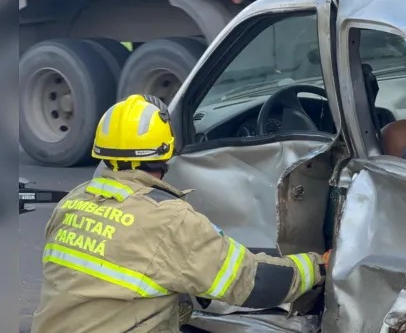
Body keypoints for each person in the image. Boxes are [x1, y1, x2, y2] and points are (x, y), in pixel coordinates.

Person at [32, 94, 329, 333]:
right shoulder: (170, 220)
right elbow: (254, 284)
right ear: (167, 152)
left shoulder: (72, 202)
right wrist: (319, 266)